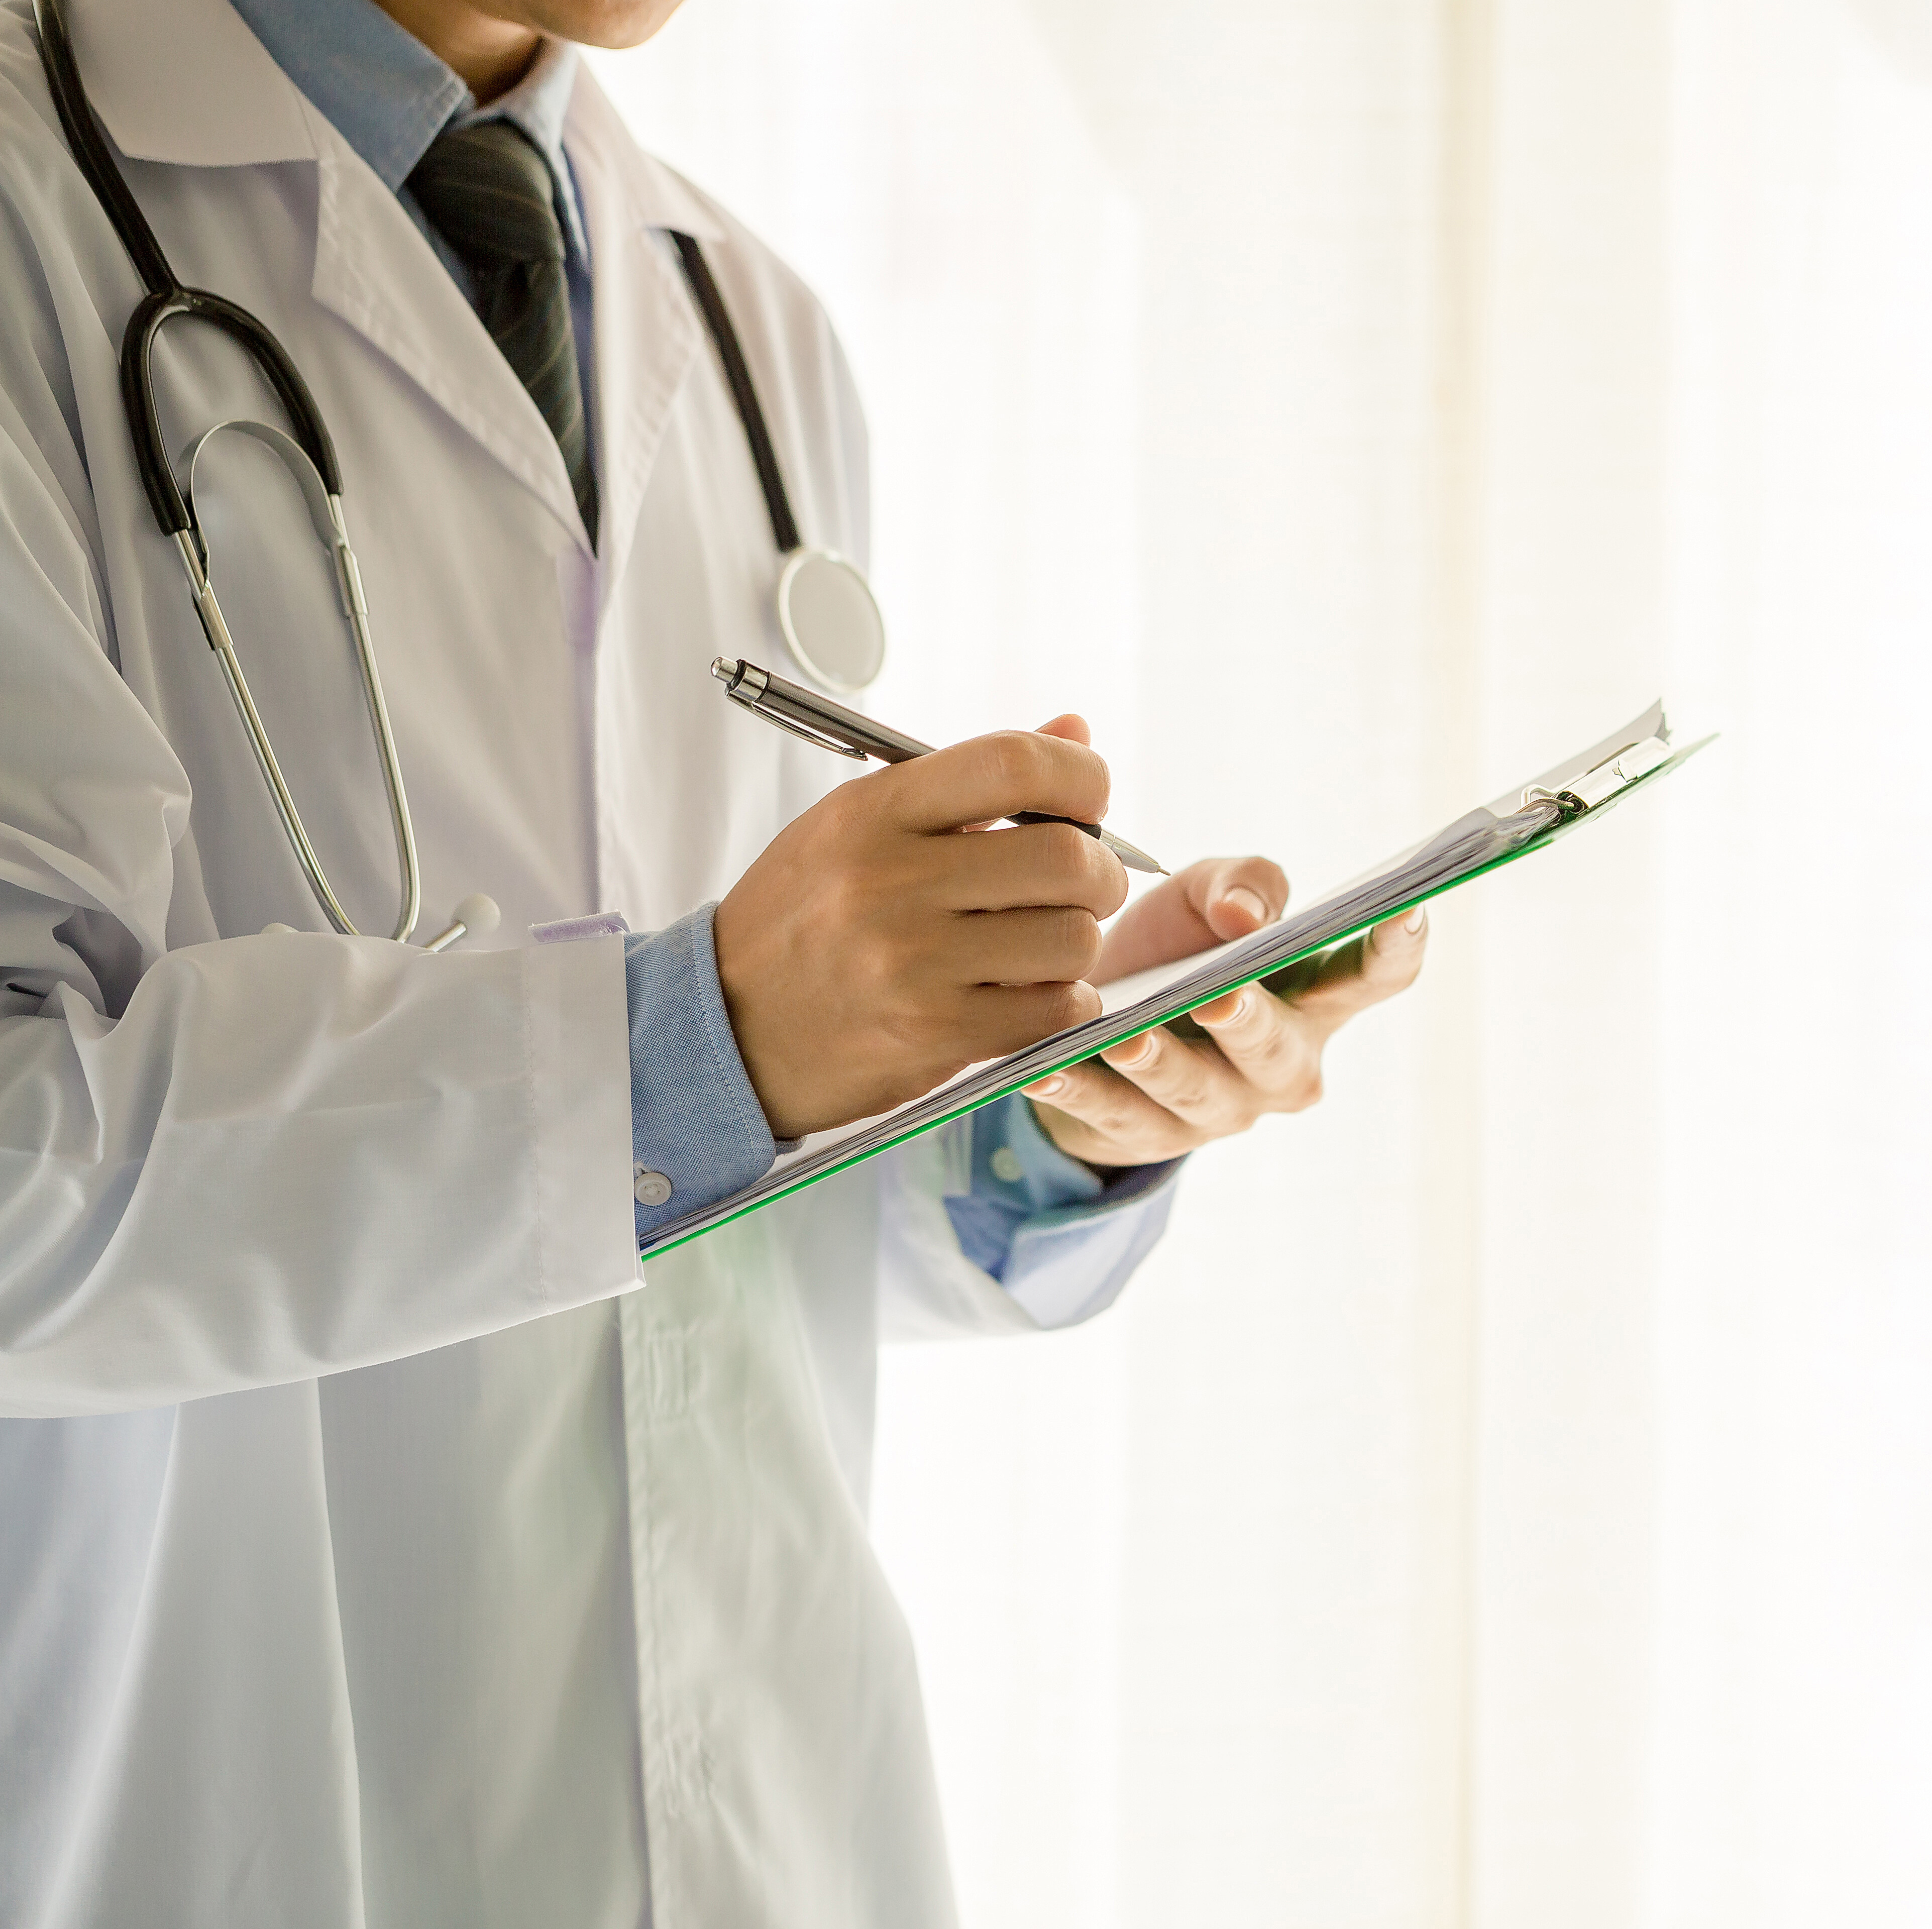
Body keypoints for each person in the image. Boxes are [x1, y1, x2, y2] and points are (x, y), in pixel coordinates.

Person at [0, 0, 1427, 1918]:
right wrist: (700, 1040)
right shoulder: (33, 210)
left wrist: (1039, 1113)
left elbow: (696, 1213)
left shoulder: (747, 320)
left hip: (760, 1826)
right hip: (211, 1818)